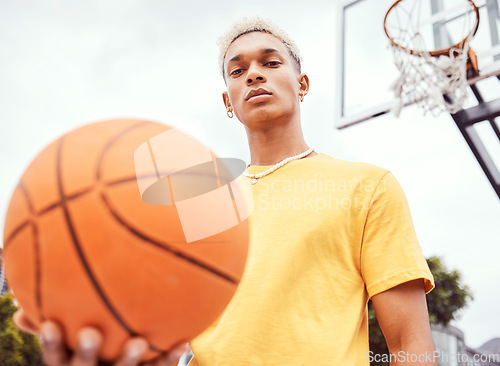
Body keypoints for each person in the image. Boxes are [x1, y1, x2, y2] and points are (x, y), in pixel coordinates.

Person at [13, 16, 438, 366]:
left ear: (302, 84)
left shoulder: (367, 186)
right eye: (238, 70)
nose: (253, 73)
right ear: (228, 101)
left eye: (270, 63)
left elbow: (410, 343)